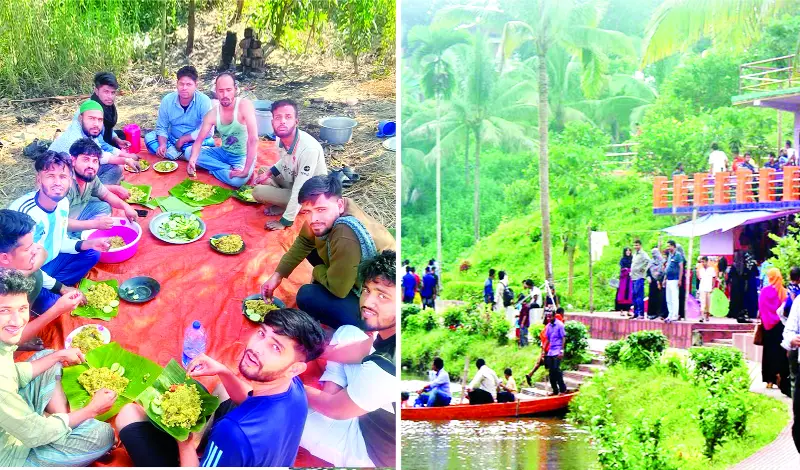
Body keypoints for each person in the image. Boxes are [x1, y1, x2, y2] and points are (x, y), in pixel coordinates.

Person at [116, 307, 326, 466]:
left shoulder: (233, 432)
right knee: (223, 388)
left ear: (295, 368)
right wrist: (223, 371)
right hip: (260, 453)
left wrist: (184, 441)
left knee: (128, 414)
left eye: (275, 347)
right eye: (262, 334)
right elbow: (248, 401)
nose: (256, 348)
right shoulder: (296, 390)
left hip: (235, 444)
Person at [0, 268, 117, 466]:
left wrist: (59, 355)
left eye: (21, 308)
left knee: (49, 356)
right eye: (4, 311)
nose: (17, 321)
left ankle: (60, 420)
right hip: (12, 455)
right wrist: (92, 410)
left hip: (14, 418)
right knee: (103, 435)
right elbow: (35, 433)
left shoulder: (4, 345)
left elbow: (13, 374)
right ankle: (63, 424)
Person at [300, 250, 397, 468]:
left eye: (382, 295)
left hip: (366, 443)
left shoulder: (387, 367)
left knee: (285, 413)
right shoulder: (392, 333)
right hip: (369, 401)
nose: (367, 302)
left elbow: (337, 409)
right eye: (366, 290)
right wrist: (311, 353)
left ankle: (329, 403)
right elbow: (362, 348)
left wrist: (294, 386)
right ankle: (332, 390)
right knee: (347, 331)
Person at [261, 176, 394, 329]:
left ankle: (361, 325)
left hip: (382, 301)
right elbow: (304, 241)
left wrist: (318, 271)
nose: (314, 219)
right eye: (307, 212)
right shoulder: (336, 206)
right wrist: (278, 275)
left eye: (321, 210)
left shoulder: (345, 235)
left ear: (339, 205)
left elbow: (339, 290)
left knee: (307, 296)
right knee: (312, 248)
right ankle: (337, 275)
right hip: (360, 270)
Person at [8, 152, 110, 315]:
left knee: (92, 253)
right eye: (50, 176)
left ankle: (49, 290)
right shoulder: (24, 214)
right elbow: (23, 266)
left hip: (49, 263)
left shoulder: (62, 203)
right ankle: (43, 295)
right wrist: (62, 288)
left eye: (63, 176)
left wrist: (86, 244)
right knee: (51, 305)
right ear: (39, 179)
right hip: (28, 273)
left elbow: (59, 241)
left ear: (70, 180)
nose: (57, 183)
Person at [0, 211, 85, 346]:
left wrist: (60, 287)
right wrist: (58, 309)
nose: (36, 249)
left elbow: (42, 252)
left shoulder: (12, 266)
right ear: (4, 257)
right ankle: (15, 339)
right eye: (28, 248)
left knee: (35, 276)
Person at [250, 100, 327, 231]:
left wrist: (284, 222)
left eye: (288, 117)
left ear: (296, 121)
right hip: (295, 180)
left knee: (257, 192)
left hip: (310, 195)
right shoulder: (280, 138)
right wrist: (268, 173)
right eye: (278, 117)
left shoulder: (309, 149)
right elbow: (285, 161)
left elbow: (300, 189)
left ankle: (293, 208)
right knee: (264, 170)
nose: (283, 121)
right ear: (272, 122)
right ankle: (283, 202)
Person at [186, 73, 259, 188]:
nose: (225, 95)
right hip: (223, 153)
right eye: (221, 91)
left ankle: (213, 169)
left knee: (238, 182)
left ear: (235, 89)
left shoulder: (245, 105)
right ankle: (226, 168)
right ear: (216, 91)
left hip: (243, 156)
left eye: (228, 90)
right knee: (189, 152)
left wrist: (245, 170)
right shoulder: (213, 113)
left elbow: (253, 139)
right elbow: (199, 140)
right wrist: (193, 160)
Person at [49, 100, 140, 184]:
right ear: (81, 118)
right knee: (104, 198)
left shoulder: (88, 131)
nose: (96, 124)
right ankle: (97, 194)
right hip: (62, 183)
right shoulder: (74, 139)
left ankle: (101, 189)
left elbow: (100, 154)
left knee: (116, 168)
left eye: (100, 120)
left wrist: (126, 160)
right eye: (91, 118)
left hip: (79, 171)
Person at [65, 138, 138, 235]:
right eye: (86, 159)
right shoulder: (64, 184)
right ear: (73, 160)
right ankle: (78, 238)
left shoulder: (90, 177)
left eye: (95, 161)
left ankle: (84, 233)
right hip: (61, 226)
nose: (91, 165)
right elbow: (58, 222)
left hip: (78, 214)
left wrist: (126, 207)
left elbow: (106, 195)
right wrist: (95, 224)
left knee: (104, 207)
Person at [144, 65, 215, 161]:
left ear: (196, 85)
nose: (184, 88)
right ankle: (184, 156)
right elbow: (161, 127)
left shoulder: (204, 101)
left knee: (209, 142)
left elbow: (209, 131)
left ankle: (176, 154)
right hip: (172, 139)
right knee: (149, 137)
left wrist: (184, 139)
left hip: (194, 140)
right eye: (181, 84)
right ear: (177, 84)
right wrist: (163, 144)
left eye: (189, 84)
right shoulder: (167, 100)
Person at [759, 268, 791, 396]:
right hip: (780, 327)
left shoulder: (764, 292)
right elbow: (786, 310)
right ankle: (780, 377)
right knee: (780, 352)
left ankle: (769, 380)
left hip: (767, 327)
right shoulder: (783, 292)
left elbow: (761, 309)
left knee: (768, 352)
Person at [90, 72, 129, 150]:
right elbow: (97, 141)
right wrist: (121, 155)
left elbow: (108, 129)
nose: (110, 97)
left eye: (113, 92)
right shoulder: (92, 110)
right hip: (91, 142)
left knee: (121, 135)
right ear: (96, 91)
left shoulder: (106, 105)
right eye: (106, 92)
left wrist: (117, 140)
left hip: (102, 136)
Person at [545, 309, 568, 395]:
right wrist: (544, 351)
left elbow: (563, 338)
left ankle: (562, 389)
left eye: (550, 316)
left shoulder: (560, 325)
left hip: (558, 350)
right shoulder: (548, 326)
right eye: (548, 316)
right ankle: (555, 390)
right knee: (551, 372)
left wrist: (561, 350)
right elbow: (547, 339)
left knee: (556, 370)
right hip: (551, 351)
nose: (548, 318)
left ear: (554, 316)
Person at [664, 240, 684, 323]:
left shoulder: (678, 255)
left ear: (673, 246)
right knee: (668, 298)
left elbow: (681, 268)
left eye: (669, 246)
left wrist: (680, 279)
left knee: (674, 298)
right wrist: (664, 279)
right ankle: (670, 314)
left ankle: (675, 315)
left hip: (675, 279)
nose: (668, 248)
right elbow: (668, 267)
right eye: (667, 246)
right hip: (668, 279)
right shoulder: (670, 255)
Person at [630, 239, 650, 319]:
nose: (636, 247)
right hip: (633, 277)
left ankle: (641, 314)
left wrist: (643, 269)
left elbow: (648, 261)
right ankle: (635, 313)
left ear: (640, 245)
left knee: (639, 295)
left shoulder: (643, 254)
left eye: (637, 245)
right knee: (634, 295)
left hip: (639, 277)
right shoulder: (635, 254)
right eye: (634, 245)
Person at [647, 247, 664, 320]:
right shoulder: (651, 262)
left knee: (659, 298)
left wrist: (658, 279)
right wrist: (648, 277)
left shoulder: (662, 261)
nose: (653, 255)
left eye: (655, 253)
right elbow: (647, 271)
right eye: (652, 254)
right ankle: (651, 313)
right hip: (652, 282)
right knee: (652, 297)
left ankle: (659, 313)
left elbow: (662, 272)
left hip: (659, 282)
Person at [697, 256, 716, 323]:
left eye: (704, 262)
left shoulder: (711, 269)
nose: (703, 263)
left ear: (707, 261)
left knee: (708, 303)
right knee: (702, 302)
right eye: (702, 262)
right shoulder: (701, 270)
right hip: (702, 287)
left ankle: (707, 316)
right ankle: (702, 316)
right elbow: (699, 278)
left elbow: (714, 278)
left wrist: (713, 287)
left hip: (709, 288)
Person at [616, 247, 633, 314]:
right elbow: (622, 269)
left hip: (630, 278)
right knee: (622, 294)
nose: (628, 252)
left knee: (629, 294)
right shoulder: (622, 260)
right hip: (624, 279)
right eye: (627, 251)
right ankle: (621, 310)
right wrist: (626, 270)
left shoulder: (632, 259)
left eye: (629, 250)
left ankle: (629, 310)